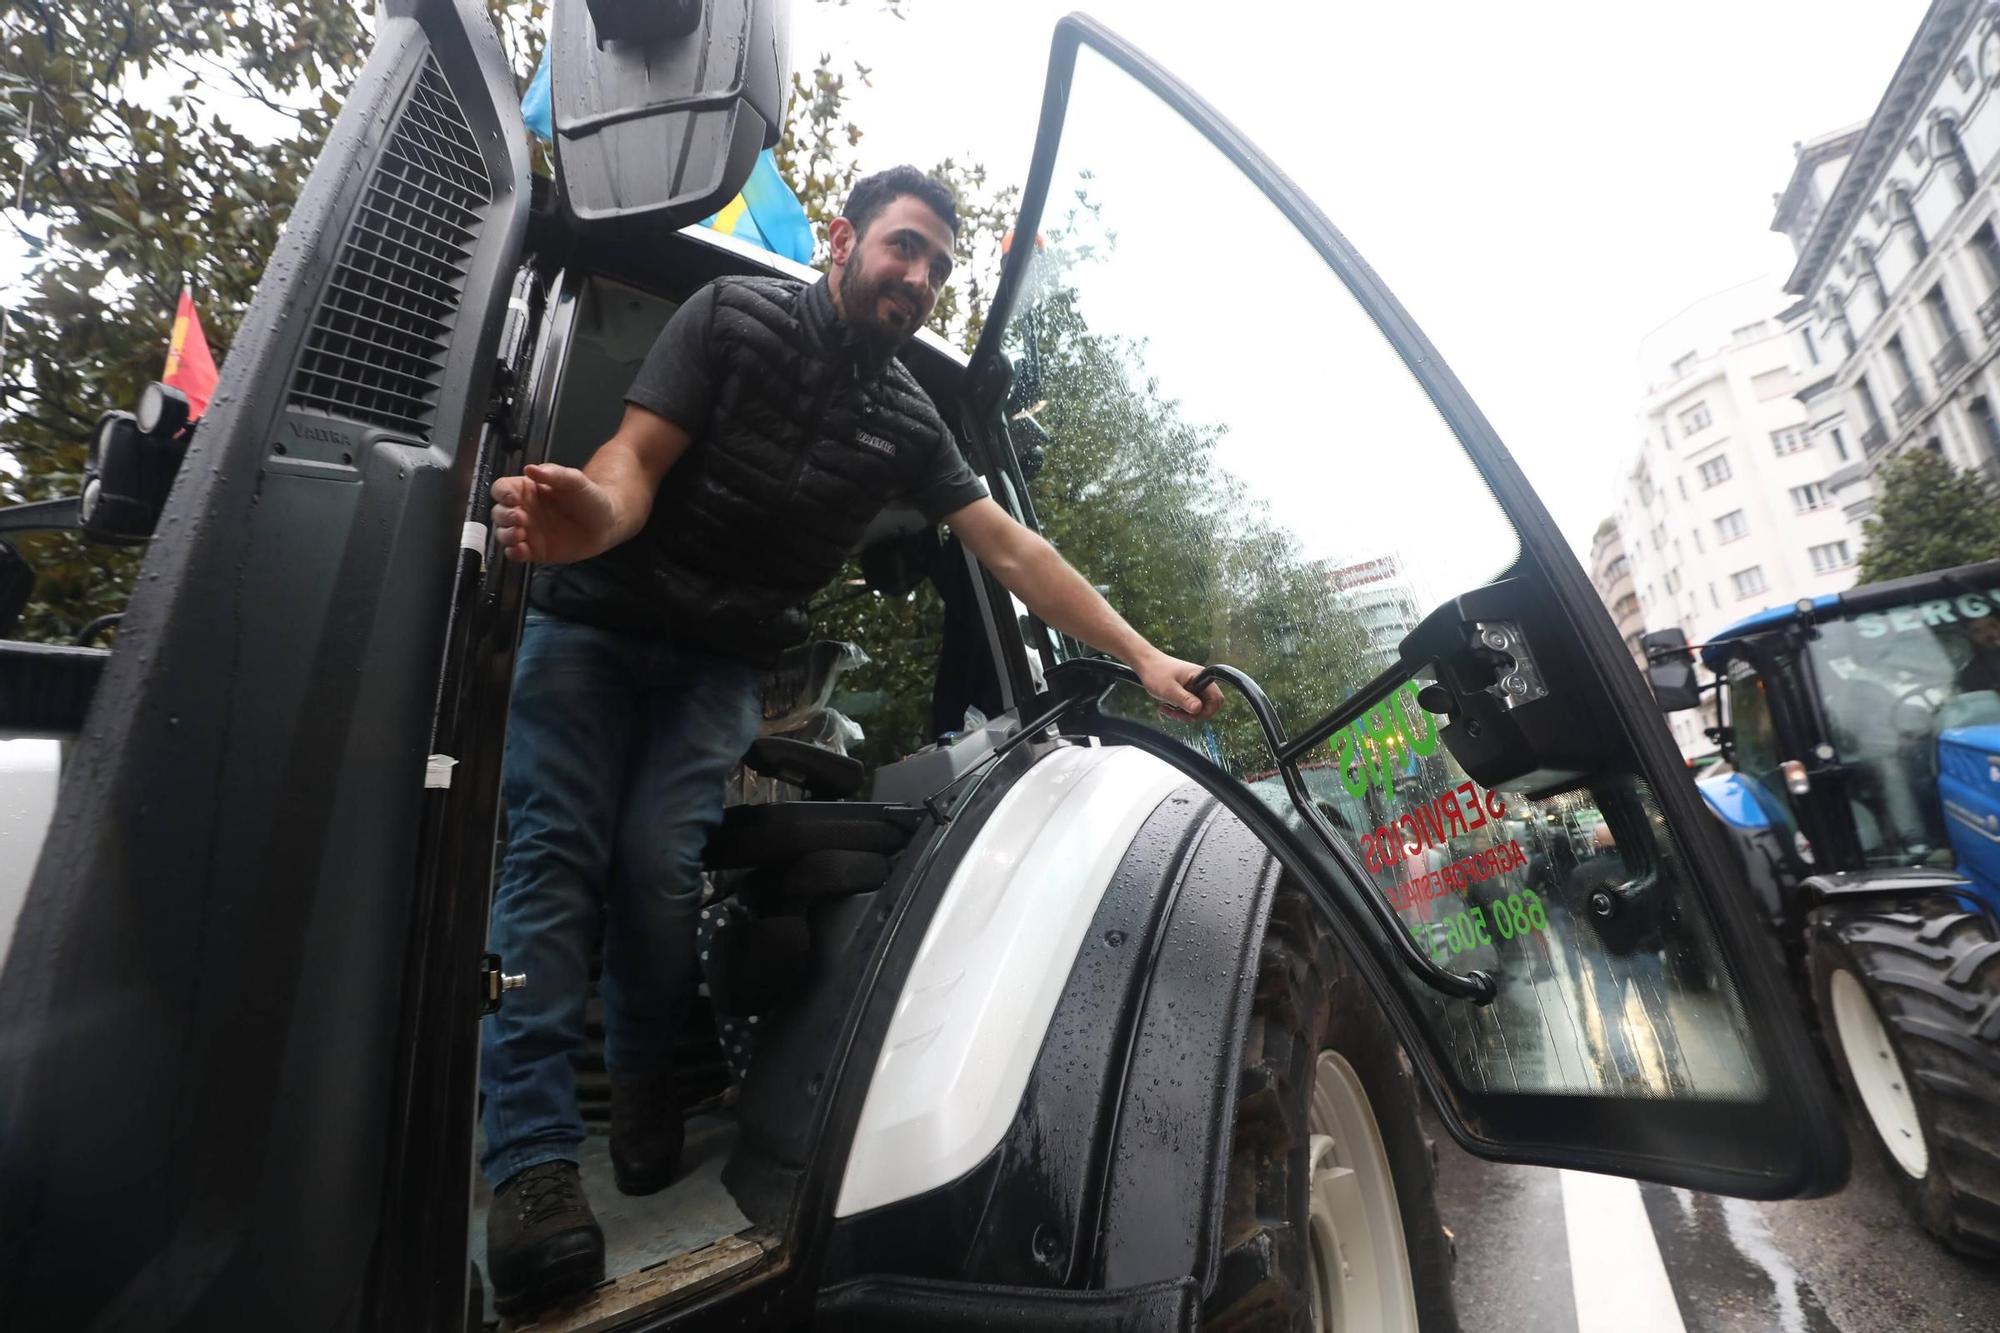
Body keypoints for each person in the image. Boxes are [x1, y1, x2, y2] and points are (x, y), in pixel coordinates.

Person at [478, 165, 1225, 1315]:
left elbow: (1016, 555)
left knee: (656, 874)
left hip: (717, 667)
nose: (918, 276)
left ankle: (639, 1093)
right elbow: (632, 463)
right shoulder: (729, 318)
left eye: (935, 263)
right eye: (903, 246)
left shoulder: (906, 428)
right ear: (844, 238)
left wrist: (1142, 655)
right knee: (551, 864)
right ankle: (529, 1165)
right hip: (595, 631)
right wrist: (593, 517)